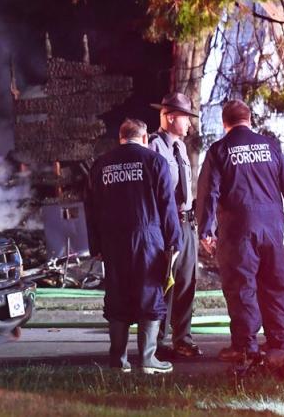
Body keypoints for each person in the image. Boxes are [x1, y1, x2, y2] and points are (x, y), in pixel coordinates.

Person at [196, 99, 284, 362]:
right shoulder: (270, 147)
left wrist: (206, 230)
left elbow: (209, 193)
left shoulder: (219, 150)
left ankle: (245, 346)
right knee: (275, 284)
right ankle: (280, 344)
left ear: (225, 123)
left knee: (241, 286)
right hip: (272, 227)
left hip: (238, 228)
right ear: (249, 120)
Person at [86, 118, 182, 374]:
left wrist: (95, 244)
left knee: (117, 295)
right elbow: (167, 207)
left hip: (112, 241)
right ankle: (148, 359)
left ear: (121, 137)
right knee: (149, 294)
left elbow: (91, 209)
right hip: (148, 239)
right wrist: (174, 241)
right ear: (144, 138)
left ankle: (118, 361)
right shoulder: (154, 162)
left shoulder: (101, 165)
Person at [148, 93, 202, 359]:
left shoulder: (180, 147)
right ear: (170, 117)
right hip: (165, 225)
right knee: (163, 283)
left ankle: (183, 338)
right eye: (186, 119)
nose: (190, 125)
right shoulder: (154, 146)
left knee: (186, 282)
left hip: (187, 223)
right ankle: (156, 341)